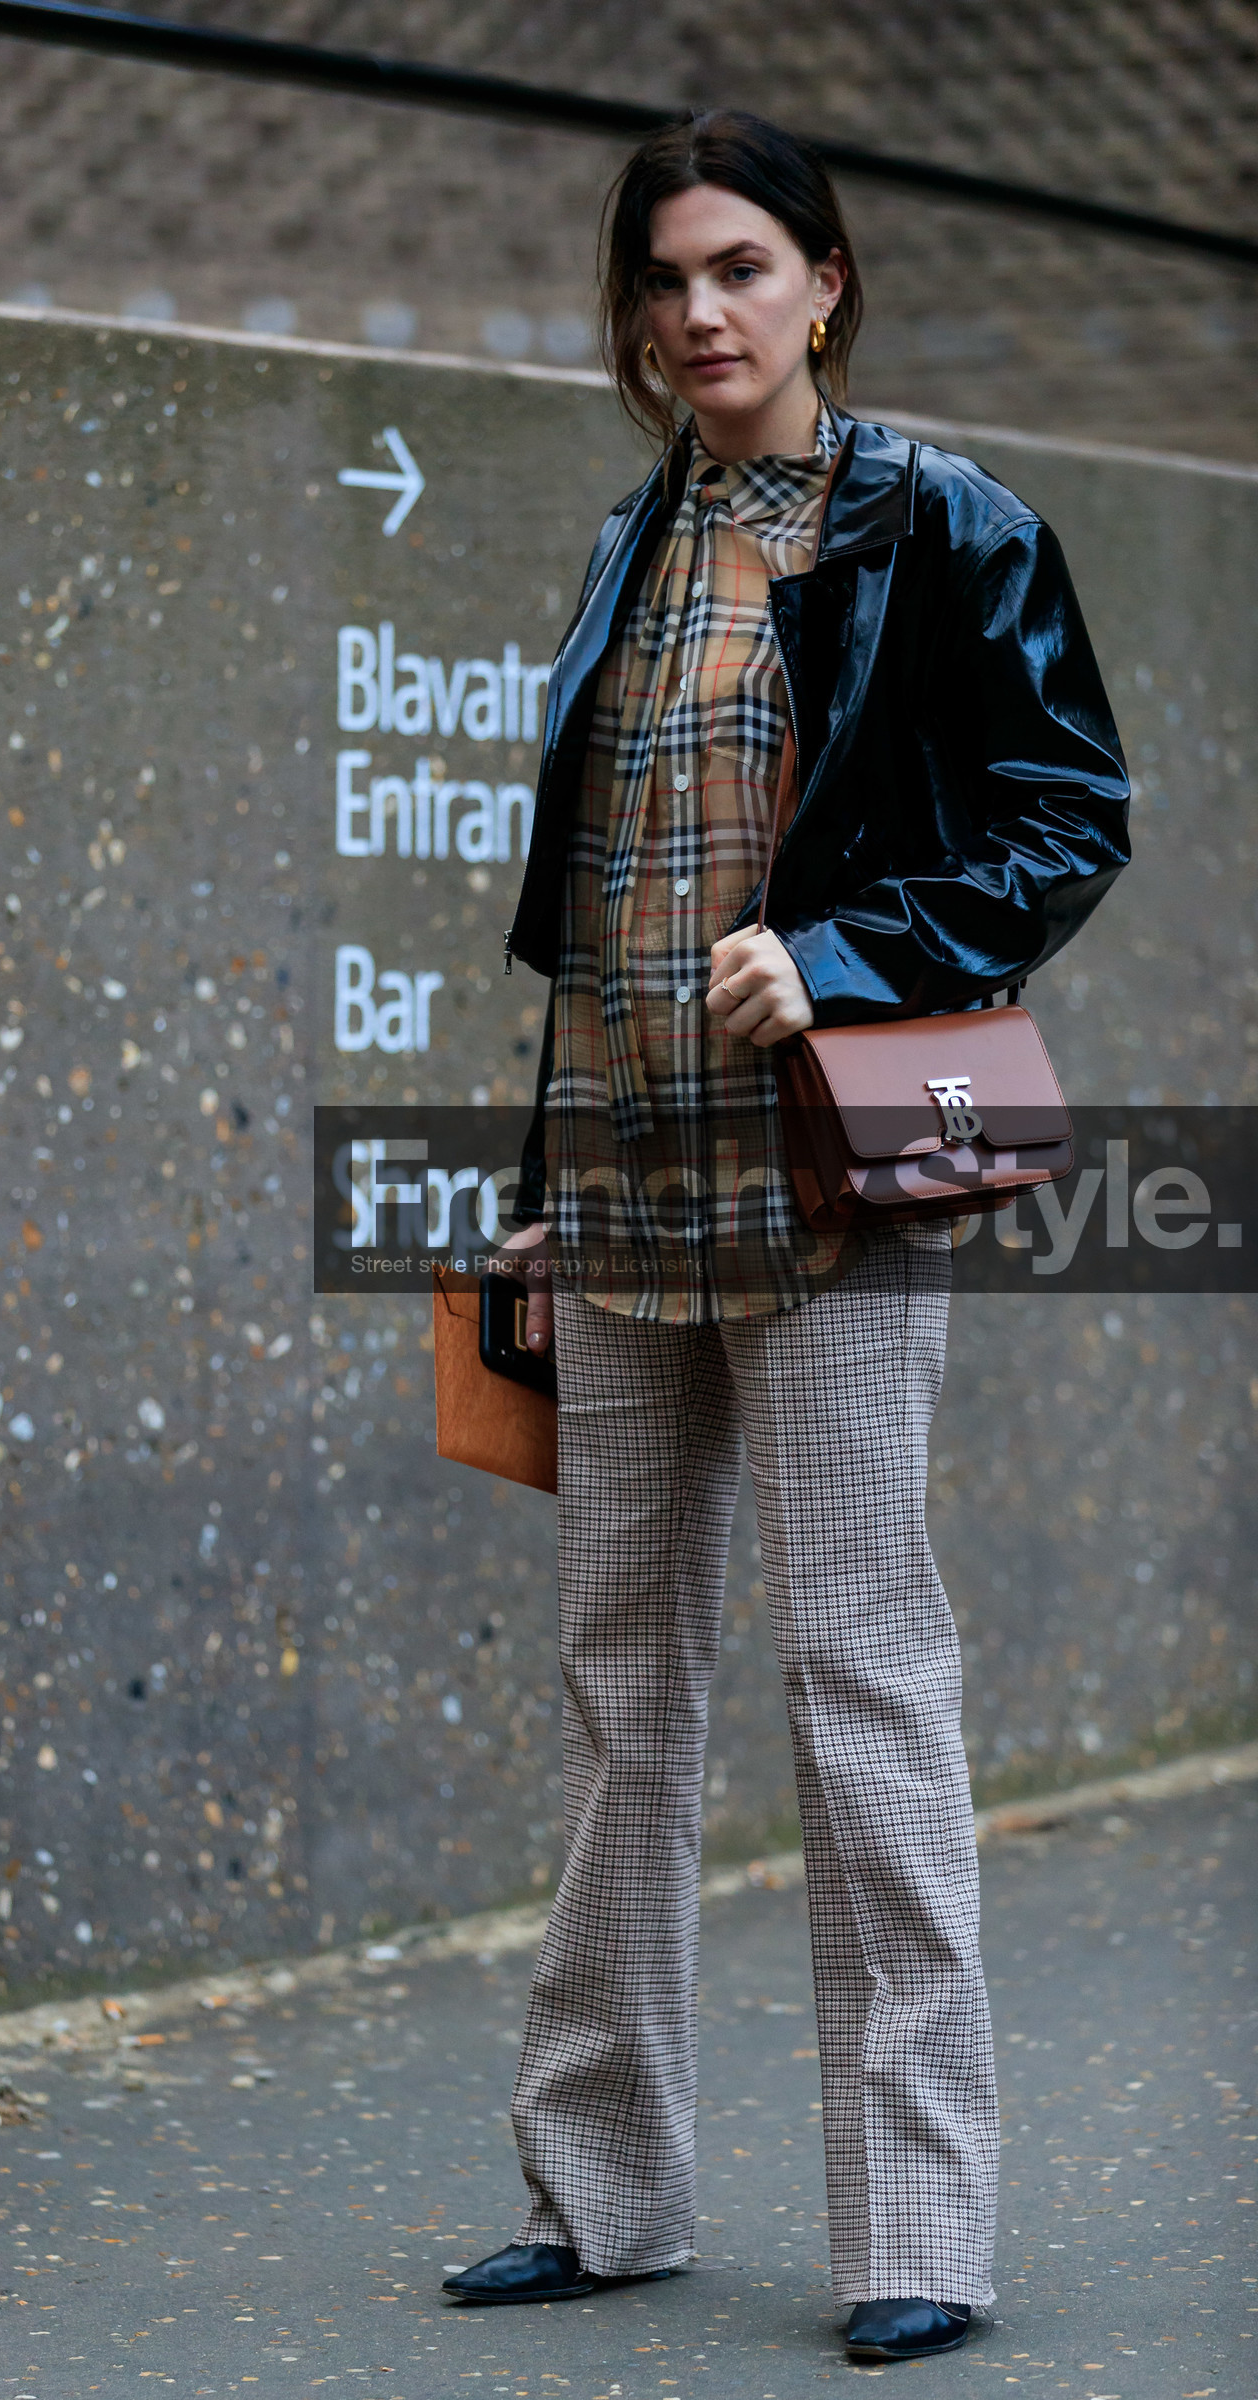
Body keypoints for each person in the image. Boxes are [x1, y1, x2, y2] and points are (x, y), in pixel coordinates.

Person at [439, 112, 1129, 2362]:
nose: (699, 312)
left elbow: (1060, 818)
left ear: (825, 280)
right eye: (664, 281)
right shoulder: (626, 550)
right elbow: (592, 919)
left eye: (741, 266)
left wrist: (836, 953)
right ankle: (598, 2185)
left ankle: (914, 2232)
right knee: (620, 1701)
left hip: (831, 1173)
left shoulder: (940, 527)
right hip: (625, 1179)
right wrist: (535, 1191)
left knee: (860, 1690)